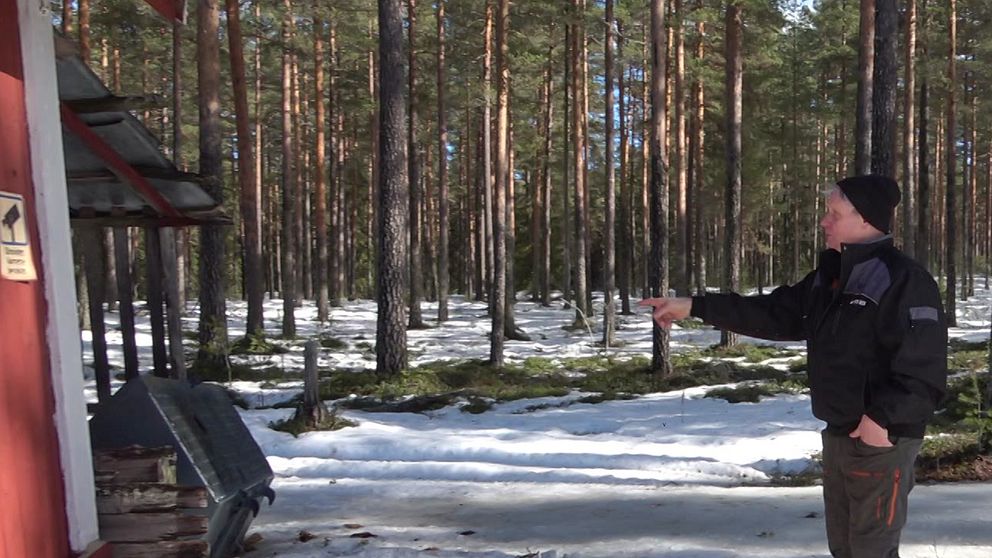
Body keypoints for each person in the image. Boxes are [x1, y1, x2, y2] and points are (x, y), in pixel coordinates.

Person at [640, 175, 947, 558]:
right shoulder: (830, 277)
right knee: (846, 549)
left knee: (872, 551)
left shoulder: (903, 279)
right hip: (839, 434)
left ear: (865, 220)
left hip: (882, 441)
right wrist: (695, 306)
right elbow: (773, 313)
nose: (824, 221)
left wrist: (881, 421)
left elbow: (924, 368)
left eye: (833, 213)